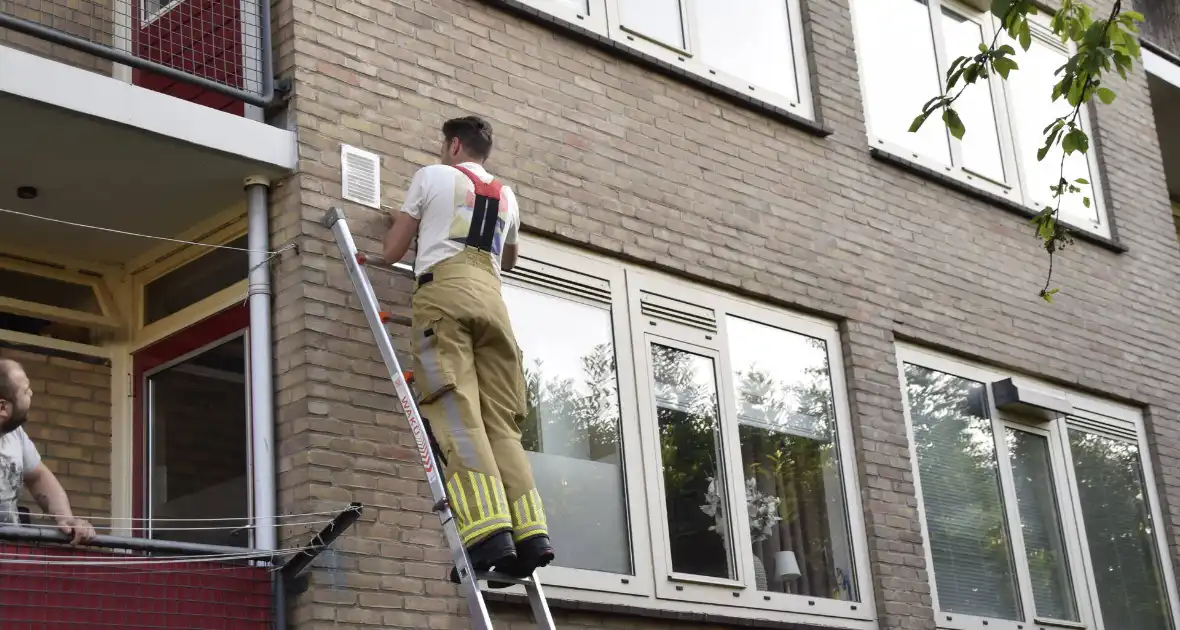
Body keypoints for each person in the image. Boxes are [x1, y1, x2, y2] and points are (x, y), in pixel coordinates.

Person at [383, 115, 554, 581]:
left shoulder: (431, 176)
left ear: (454, 146)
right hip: (494, 305)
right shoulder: (508, 195)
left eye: (444, 146)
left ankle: (487, 534)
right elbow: (509, 260)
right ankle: (531, 535)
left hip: (445, 297)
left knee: (456, 408)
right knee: (501, 423)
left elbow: (390, 253)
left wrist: (410, 226)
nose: (442, 152)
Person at [0, 358, 97, 545]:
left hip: (10, 556)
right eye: (25, 391)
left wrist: (66, 519)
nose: (31, 393)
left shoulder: (16, 435)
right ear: (2, 407)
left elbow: (38, 476)